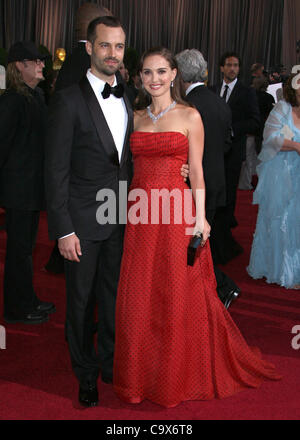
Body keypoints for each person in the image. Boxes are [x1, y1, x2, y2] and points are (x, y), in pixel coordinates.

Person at [113, 47, 281, 408]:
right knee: (142, 291)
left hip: (176, 212)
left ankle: (172, 374)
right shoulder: (136, 116)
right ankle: (140, 374)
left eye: (161, 71)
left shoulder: (191, 115)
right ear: (139, 77)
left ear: (174, 74)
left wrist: (201, 217)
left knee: (175, 290)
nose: (154, 79)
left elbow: (199, 172)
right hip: (142, 215)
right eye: (147, 72)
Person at [45, 3, 113, 274]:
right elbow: (58, 162)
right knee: (83, 289)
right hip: (85, 191)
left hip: (110, 205)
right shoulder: (82, 64)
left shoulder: (79, 63)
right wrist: (63, 230)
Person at [175, 48, 240, 309]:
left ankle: (220, 287)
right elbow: (227, 144)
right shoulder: (219, 102)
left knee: (191, 248)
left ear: (179, 75)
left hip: (191, 186)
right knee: (199, 245)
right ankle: (209, 292)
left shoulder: (185, 107)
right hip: (215, 184)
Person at [0, 41, 55, 324]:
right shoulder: (11, 101)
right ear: (20, 65)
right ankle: (16, 308)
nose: (42, 65)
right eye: (36, 61)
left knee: (26, 250)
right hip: (18, 190)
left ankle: (28, 300)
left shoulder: (36, 97)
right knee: (19, 251)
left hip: (31, 189)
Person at [247, 74, 300, 289]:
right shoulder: (282, 109)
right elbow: (270, 138)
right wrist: (296, 146)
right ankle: (283, 270)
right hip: (282, 173)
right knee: (283, 219)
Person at [211, 52, 260, 264]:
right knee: (213, 194)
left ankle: (225, 240)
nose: (232, 68)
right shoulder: (211, 90)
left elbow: (256, 122)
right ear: (221, 67)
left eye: (236, 65)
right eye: (229, 65)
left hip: (232, 154)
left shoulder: (246, 92)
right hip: (211, 154)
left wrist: (232, 130)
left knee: (229, 196)